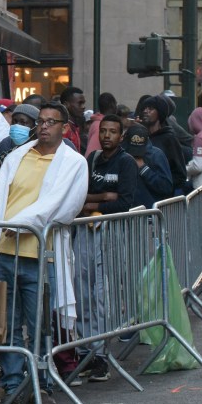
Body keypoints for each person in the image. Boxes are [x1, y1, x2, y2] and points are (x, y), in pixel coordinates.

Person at [0, 102, 89, 404]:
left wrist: (18, 224)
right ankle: (12, 382)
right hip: (5, 252)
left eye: (52, 122)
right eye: (41, 121)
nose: (44, 126)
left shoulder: (74, 163)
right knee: (7, 323)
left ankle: (41, 382)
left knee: (39, 324)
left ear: (64, 128)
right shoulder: (16, 156)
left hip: (42, 255)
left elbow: (61, 206)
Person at [72, 114, 138, 384]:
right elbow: (79, 194)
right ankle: (84, 350)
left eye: (113, 131)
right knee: (81, 290)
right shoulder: (92, 160)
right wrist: (99, 200)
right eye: (104, 131)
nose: (108, 135)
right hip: (85, 231)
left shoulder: (126, 162)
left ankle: (101, 355)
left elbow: (124, 201)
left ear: (121, 136)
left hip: (110, 233)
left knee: (101, 293)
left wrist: (94, 206)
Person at [139, 95, 187, 194]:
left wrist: (164, 186)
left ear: (159, 113)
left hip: (161, 200)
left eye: (151, 109)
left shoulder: (169, 139)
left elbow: (180, 174)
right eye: (144, 108)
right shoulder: (140, 138)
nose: (145, 111)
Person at [122, 125, 174, 208]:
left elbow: (166, 187)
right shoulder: (121, 153)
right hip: (124, 213)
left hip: (149, 214)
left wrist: (144, 169)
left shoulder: (156, 155)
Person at [0, 103, 39, 168]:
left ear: (35, 126)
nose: (17, 125)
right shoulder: (6, 143)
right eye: (14, 121)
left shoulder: (41, 146)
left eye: (23, 122)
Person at [85, 92, 118, 157]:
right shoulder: (100, 126)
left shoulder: (98, 123)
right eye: (116, 104)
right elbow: (91, 152)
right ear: (112, 105)